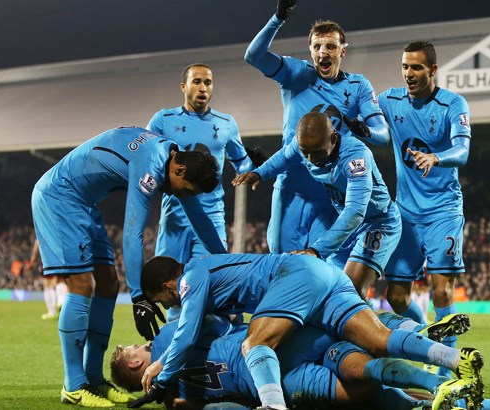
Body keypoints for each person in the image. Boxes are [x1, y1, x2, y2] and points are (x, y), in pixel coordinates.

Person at [133, 253, 485, 410]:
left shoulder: (192, 278)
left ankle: (273, 405)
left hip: (292, 278)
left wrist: (161, 372)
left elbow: (188, 331)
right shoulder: (208, 268)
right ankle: (457, 360)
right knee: (376, 339)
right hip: (323, 274)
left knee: (255, 342)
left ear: (168, 285)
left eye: (164, 301)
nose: (170, 307)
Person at [31, 126, 226, 407]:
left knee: (109, 284)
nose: (184, 196)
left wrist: (227, 261)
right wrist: (138, 296)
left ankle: (93, 378)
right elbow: (133, 232)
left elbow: (201, 220)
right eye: (187, 190)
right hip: (59, 197)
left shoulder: (173, 157)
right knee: (82, 285)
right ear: (180, 170)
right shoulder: (151, 166)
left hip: (84, 202)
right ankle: (73, 385)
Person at [118, 313, 490, 410]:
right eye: (125, 353)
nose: (131, 347)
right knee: (366, 378)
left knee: (366, 368)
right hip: (287, 364)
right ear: (134, 366)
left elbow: (217, 322)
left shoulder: (168, 354)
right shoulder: (172, 368)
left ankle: (431, 356)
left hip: (285, 361)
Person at [244, 0, 390, 255]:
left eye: (331, 46)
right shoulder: (296, 74)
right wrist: (277, 18)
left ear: (342, 52)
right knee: (283, 263)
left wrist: (363, 130)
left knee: (321, 267)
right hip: (291, 189)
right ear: (310, 50)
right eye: (317, 46)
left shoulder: (358, 86)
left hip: (330, 195)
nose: (324, 52)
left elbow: (383, 135)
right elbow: (253, 56)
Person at [233, 112, 399, 299]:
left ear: (334, 138)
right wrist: (260, 173)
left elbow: (355, 210)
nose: (311, 159)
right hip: (344, 227)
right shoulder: (305, 145)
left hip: (377, 223)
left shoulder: (355, 158)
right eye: (306, 153)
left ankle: (390, 328)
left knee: (352, 290)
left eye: (318, 152)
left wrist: (317, 250)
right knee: (330, 290)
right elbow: (285, 157)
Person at [377, 41, 472, 362]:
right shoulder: (390, 101)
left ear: (433, 70)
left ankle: (451, 369)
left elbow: (462, 152)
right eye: (404, 66)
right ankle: (426, 339)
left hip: (443, 210)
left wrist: (436, 157)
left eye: (416, 67)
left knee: (442, 290)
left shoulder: (453, 105)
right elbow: (358, 111)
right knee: (396, 295)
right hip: (404, 213)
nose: (408, 74)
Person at [147, 63, 259, 321]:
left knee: (209, 283)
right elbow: (146, 159)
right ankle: (174, 344)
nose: (203, 88)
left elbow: (241, 161)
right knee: (169, 288)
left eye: (208, 83)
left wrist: (252, 168)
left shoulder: (226, 123)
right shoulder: (163, 120)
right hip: (173, 220)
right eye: (197, 81)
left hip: (210, 217)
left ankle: (212, 346)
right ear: (183, 86)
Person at [31, 239, 68, 320]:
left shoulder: (43, 227)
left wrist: (33, 257)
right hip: (60, 256)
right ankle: (61, 301)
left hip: (47, 258)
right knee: (60, 280)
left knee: (48, 285)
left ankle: (51, 312)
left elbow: (37, 241)